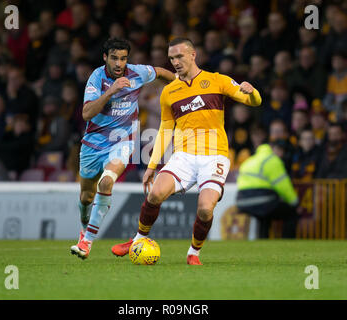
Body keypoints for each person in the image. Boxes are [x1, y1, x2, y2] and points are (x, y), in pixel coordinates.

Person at [112, 38, 262, 265]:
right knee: (154, 195)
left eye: (179, 56)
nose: (175, 62)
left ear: (193, 55)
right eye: (171, 58)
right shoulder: (169, 92)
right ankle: (138, 239)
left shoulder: (216, 80)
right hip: (183, 156)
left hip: (215, 156)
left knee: (204, 209)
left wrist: (251, 92)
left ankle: (194, 252)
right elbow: (165, 130)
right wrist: (152, 166)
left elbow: (253, 101)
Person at [70, 38, 175, 259]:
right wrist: (111, 91)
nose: (119, 63)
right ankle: (83, 230)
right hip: (93, 143)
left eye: (123, 58)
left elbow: (160, 72)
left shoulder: (137, 73)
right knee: (86, 197)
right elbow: (86, 113)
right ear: (105, 58)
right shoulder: (97, 77)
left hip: (122, 140)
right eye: (115, 58)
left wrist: (182, 85)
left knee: (107, 180)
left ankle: (87, 242)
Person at [236, 141, 299, 239]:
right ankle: (288, 244)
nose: (281, 154)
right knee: (291, 213)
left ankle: (262, 241)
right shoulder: (272, 160)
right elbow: (283, 185)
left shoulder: (250, 160)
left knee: (264, 216)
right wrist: (294, 202)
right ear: (273, 149)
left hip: (241, 201)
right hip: (261, 199)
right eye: (280, 150)